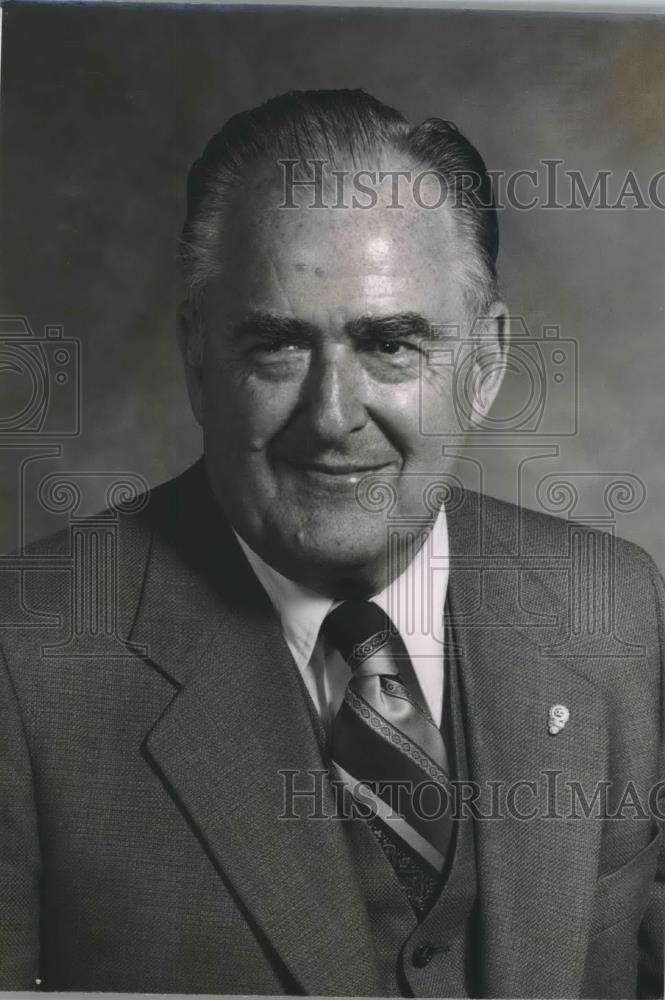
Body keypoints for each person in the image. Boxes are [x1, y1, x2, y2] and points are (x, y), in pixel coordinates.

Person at [0, 89, 663, 998]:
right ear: (198, 359)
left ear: (485, 363)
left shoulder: (613, 605)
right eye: (277, 346)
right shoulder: (25, 658)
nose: (331, 415)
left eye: (391, 345)